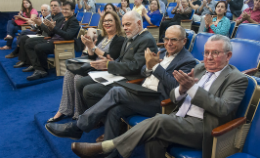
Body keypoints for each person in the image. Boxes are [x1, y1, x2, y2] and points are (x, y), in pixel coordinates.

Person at [67, 34, 248, 158]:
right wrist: (182, 89)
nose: (208, 57)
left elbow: (223, 108)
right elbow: (174, 96)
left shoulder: (236, 79)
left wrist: (192, 89)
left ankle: (107, 146)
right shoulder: (200, 68)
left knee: (159, 120)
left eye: (215, 53)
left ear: (228, 55)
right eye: (206, 52)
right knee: (154, 138)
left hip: (204, 128)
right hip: (179, 118)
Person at [45, 25, 197, 158]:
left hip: (160, 101)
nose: (169, 43)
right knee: (115, 109)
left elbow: (175, 89)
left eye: (174, 40)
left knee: (116, 92)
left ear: (184, 41)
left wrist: (156, 68)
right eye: (167, 39)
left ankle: (78, 127)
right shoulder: (162, 51)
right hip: (143, 91)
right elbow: (143, 70)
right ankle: (110, 153)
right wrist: (149, 67)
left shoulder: (188, 61)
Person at [47, 11, 125, 122]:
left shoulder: (119, 39)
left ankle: (80, 112)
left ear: (116, 22)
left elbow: (109, 58)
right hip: (93, 65)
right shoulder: (103, 36)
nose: (107, 23)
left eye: (110, 20)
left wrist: (93, 46)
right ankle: (65, 109)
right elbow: (92, 56)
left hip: (105, 69)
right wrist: (89, 46)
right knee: (69, 72)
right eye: (105, 21)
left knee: (78, 77)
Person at [24, 1, 79, 81]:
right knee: (29, 43)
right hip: (53, 39)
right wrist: (48, 26)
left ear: (73, 11)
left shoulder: (73, 21)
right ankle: (37, 66)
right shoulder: (63, 19)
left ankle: (42, 70)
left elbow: (68, 36)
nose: (64, 11)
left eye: (67, 9)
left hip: (61, 44)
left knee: (39, 47)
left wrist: (53, 27)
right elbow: (51, 33)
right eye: (63, 9)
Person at [12, 0, 64, 69]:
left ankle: (36, 65)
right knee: (24, 38)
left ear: (60, 7)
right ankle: (27, 61)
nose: (53, 7)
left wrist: (40, 24)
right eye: (52, 5)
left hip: (49, 38)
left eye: (55, 5)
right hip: (46, 35)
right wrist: (38, 24)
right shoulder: (53, 16)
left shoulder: (59, 17)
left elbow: (50, 33)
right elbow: (48, 31)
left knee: (28, 42)